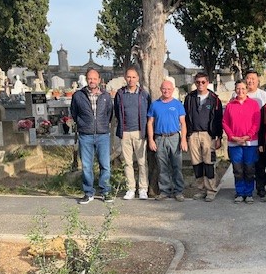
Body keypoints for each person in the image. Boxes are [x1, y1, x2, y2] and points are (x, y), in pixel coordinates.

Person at [70, 68, 114, 204]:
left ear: (99, 80)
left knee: (105, 165)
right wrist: (83, 125)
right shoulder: (78, 96)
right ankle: (88, 192)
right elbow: (74, 113)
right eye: (90, 78)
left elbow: (109, 114)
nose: (92, 81)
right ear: (86, 79)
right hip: (86, 135)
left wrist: (103, 125)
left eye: (95, 79)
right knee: (87, 166)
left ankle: (105, 191)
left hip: (102, 135)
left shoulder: (105, 96)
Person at [184, 72, 223, 202]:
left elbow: (219, 119)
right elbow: (184, 117)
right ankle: (200, 189)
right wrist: (185, 136)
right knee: (197, 164)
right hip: (193, 134)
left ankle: (211, 190)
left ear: (207, 82)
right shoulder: (190, 97)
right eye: (198, 82)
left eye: (203, 82)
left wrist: (219, 137)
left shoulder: (214, 99)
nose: (200, 85)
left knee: (209, 163)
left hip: (208, 135)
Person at [114, 66, 152, 200]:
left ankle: (143, 188)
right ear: (125, 78)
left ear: (138, 78)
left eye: (134, 77)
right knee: (128, 163)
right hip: (125, 132)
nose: (131, 79)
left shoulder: (144, 94)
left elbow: (148, 113)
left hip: (139, 133)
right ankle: (131, 188)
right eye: (129, 77)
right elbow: (117, 112)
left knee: (142, 162)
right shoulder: (120, 94)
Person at [147, 79, 188, 201]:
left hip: (174, 137)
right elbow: (150, 123)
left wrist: (183, 140)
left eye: (169, 89)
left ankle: (178, 191)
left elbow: (183, 123)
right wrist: (151, 140)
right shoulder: (155, 105)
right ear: (161, 89)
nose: (166, 91)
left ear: (173, 90)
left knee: (177, 166)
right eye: (164, 89)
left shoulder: (177, 104)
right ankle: (164, 190)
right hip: (160, 138)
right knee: (162, 166)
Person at [223, 80, 261, 203]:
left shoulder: (254, 104)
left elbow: (256, 123)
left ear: (247, 89)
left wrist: (248, 136)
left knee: (249, 169)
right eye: (238, 89)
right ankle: (240, 192)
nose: (241, 91)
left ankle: (249, 193)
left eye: (243, 88)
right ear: (235, 90)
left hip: (250, 143)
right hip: (234, 143)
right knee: (238, 169)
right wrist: (232, 136)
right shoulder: (230, 105)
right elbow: (225, 122)